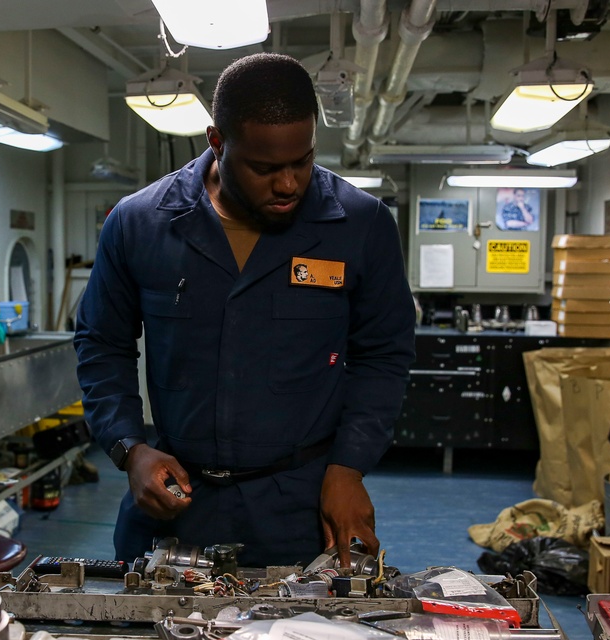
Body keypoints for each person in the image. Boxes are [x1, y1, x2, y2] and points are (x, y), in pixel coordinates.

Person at [74, 53, 416, 569]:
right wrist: (130, 448)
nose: (288, 184)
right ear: (217, 141)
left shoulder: (360, 225)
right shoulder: (141, 224)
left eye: (302, 161)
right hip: (176, 497)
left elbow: (383, 355)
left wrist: (349, 467)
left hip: (301, 505)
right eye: (264, 167)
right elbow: (102, 343)